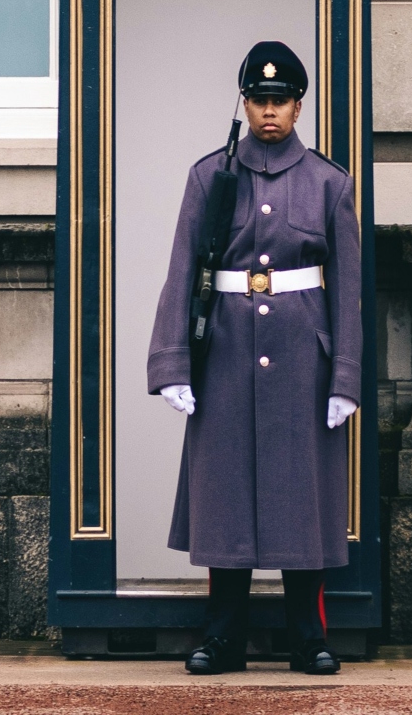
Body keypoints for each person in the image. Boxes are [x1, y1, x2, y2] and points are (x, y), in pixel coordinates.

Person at [146, 40, 362, 676]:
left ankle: (307, 638)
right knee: (226, 499)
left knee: (305, 500)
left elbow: (347, 286)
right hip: (229, 350)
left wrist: (344, 374)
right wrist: (173, 363)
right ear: (245, 102)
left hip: (302, 353)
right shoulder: (210, 175)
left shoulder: (329, 182)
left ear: (299, 106)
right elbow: (183, 268)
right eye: (260, 99)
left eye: (282, 100)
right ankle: (222, 637)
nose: (270, 111)